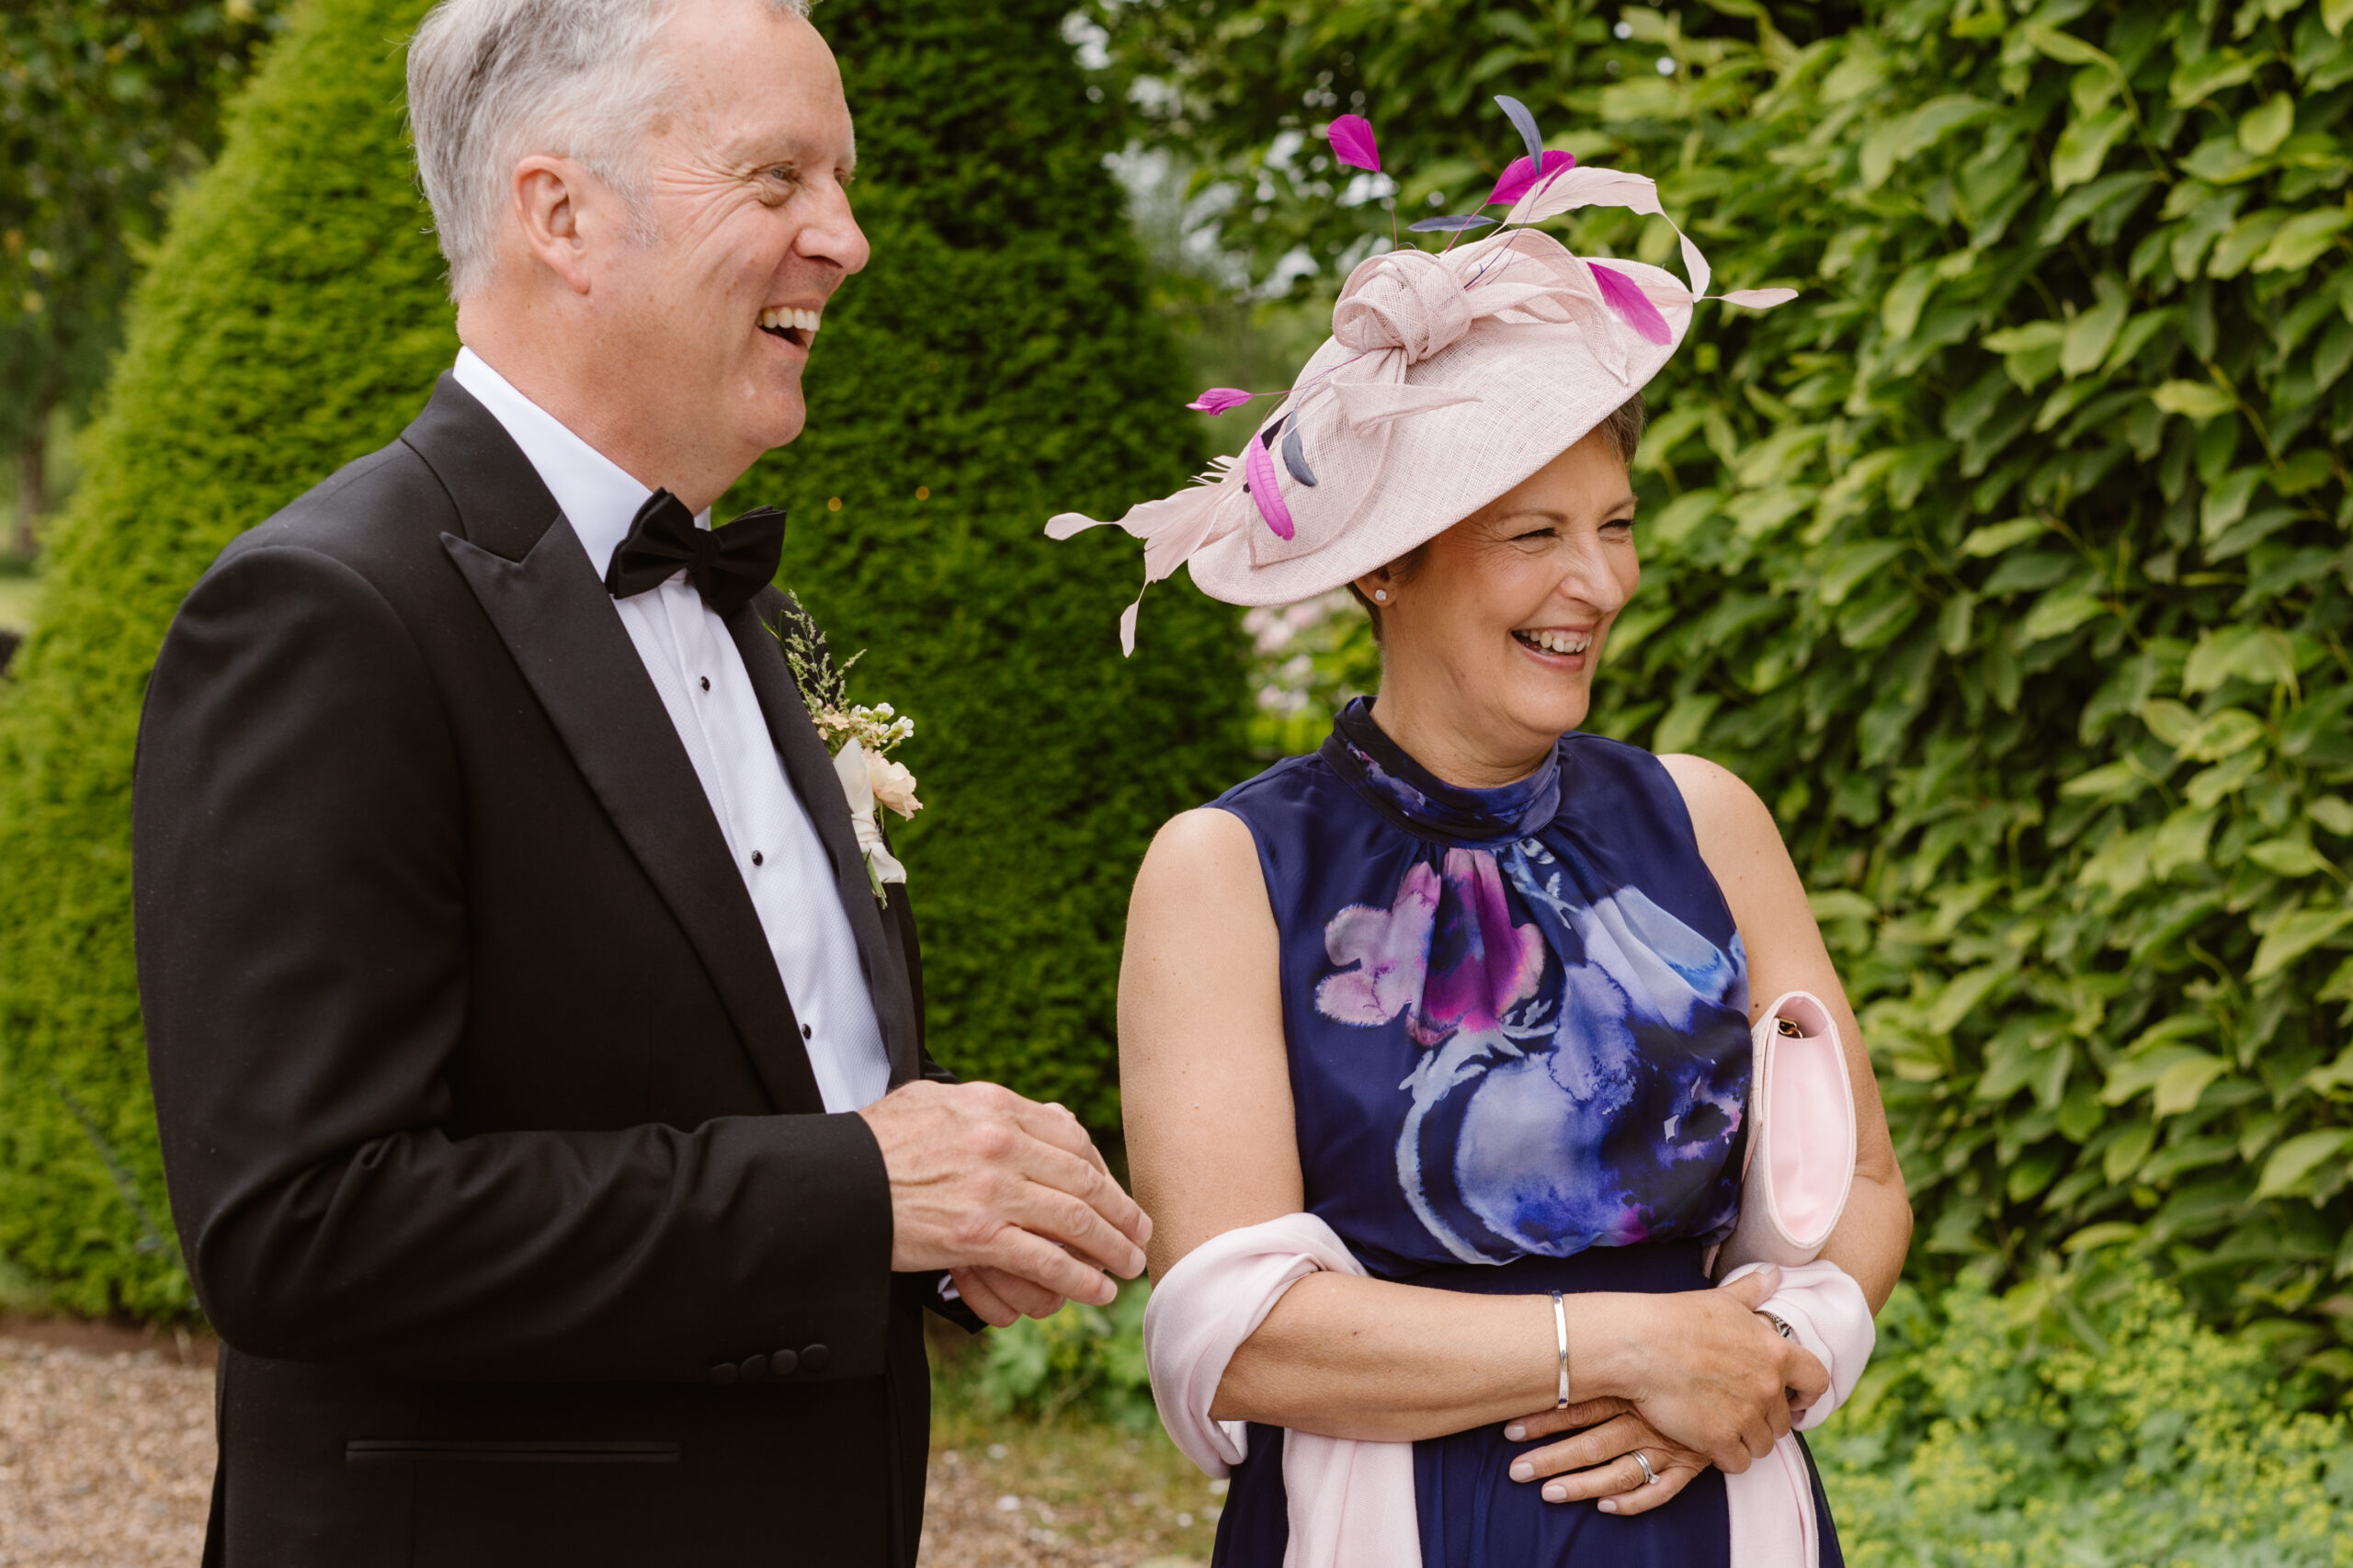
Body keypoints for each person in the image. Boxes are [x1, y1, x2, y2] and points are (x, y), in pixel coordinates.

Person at [131, 2, 1148, 1563]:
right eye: (779, 180)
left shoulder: (750, 609)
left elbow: (754, 1083)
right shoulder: (330, 612)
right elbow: (303, 1228)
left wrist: (950, 1224)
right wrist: (862, 1189)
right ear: (563, 215)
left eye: (845, 181)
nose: (849, 240)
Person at [1050, 123, 1910, 1565]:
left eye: (1618, 524)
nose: (1600, 582)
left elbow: (1864, 1189)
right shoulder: (1226, 870)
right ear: (1384, 564)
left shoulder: (1707, 819)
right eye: (1535, 534)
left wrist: (1766, 1360)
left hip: (1716, 1507)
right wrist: (1623, 1349)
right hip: (1395, 1522)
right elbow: (1233, 1329)